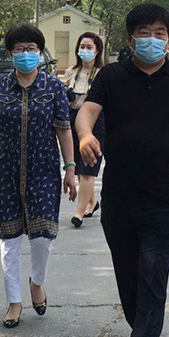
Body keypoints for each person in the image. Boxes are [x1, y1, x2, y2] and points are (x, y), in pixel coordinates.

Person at [75, 4, 169, 337]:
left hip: (168, 194)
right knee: (127, 266)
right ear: (130, 38)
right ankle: (142, 326)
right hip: (121, 193)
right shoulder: (112, 76)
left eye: (160, 33)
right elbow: (87, 111)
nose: (153, 39)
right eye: (144, 33)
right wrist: (84, 134)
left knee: (154, 265)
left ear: (168, 39)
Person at [0, 25, 77, 329]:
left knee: (43, 239)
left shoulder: (53, 87)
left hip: (44, 173)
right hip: (6, 173)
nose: (26, 54)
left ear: (40, 53)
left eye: (31, 48)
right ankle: (14, 301)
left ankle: (37, 282)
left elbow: (64, 129)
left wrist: (70, 169)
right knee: (9, 240)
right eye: (19, 49)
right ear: (10, 53)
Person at [63, 32, 106, 228]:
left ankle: (79, 213)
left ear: (97, 51)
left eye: (89, 47)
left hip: (95, 122)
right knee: (79, 168)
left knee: (88, 169)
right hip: (72, 120)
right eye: (82, 47)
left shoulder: (103, 73)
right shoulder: (71, 72)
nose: (85, 51)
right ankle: (92, 202)